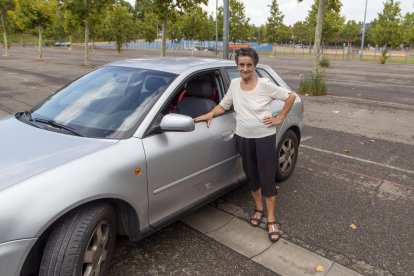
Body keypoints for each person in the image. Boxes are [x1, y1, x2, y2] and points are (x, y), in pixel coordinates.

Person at [194, 48, 296, 242]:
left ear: (254, 66)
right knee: (252, 177)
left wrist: (279, 118)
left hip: (264, 138)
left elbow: (290, 96)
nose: (245, 68)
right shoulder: (234, 84)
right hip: (243, 138)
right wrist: (210, 113)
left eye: (249, 65)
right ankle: (258, 209)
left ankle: (271, 218)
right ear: (237, 66)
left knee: (267, 178)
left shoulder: (265, 84)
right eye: (242, 65)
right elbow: (224, 105)